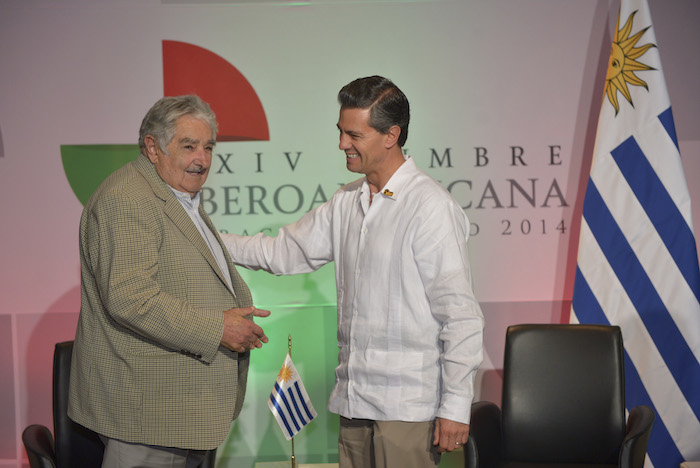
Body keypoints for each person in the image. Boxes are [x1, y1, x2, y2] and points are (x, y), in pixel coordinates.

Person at [222, 76, 484, 468]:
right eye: (341, 132)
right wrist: (207, 238)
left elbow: (460, 317)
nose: (342, 144)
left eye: (354, 135)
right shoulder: (346, 202)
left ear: (391, 135)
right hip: (354, 405)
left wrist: (456, 407)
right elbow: (280, 252)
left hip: (407, 412)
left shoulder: (430, 208)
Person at [68, 95, 270, 468]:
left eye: (208, 147)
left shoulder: (174, 195)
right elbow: (132, 298)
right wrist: (218, 328)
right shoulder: (127, 198)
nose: (202, 159)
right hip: (148, 413)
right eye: (189, 146)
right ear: (152, 147)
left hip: (180, 410)